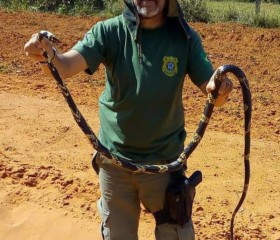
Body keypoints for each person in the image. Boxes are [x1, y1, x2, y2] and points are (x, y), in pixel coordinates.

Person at [24, 0, 233, 239]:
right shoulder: (108, 32)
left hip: (164, 164)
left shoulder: (184, 38)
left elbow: (211, 90)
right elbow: (65, 66)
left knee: (177, 233)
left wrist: (220, 89)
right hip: (115, 163)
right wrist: (46, 55)